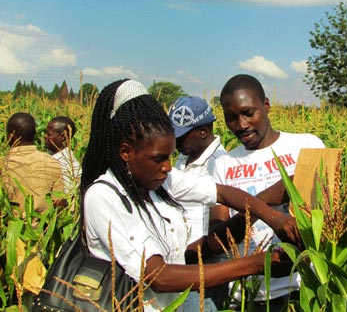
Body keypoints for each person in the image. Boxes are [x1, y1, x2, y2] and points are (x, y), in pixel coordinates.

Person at [80, 79, 299, 312]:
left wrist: (276, 219)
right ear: (126, 152)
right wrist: (257, 264)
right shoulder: (104, 196)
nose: (167, 166)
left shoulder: (160, 178)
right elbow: (159, 277)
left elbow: (222, 192)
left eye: (169, 156)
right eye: (158, 158)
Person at [211, 74, 325, 311]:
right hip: (251, 296)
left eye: (248, 113)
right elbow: (217, 240)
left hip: (306, 289)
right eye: (231, 118)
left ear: (266, 106)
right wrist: (265, 200)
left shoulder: (308, 146)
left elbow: (329, 217)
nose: (241, 125)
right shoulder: (222, 164)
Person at [168, 96, 228, 310]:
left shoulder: (220, 163)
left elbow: (220, 227)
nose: (175, 144)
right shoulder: (183, 159)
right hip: (178, 268)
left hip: (203, 271)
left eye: (181, 138)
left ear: (203, 132)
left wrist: (191, 254)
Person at [1, 112, 65, 216]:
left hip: (9, 230)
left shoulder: (3, 164)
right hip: (43, 230)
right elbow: (59, 203)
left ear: (10, 136)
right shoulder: (52, 163)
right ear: (35, 134)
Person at [44, 116, 82, 193]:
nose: (45, 136)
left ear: (62, 136)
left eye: (49, 134)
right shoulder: (49, 154)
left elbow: (64, 197)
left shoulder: (67, 165)